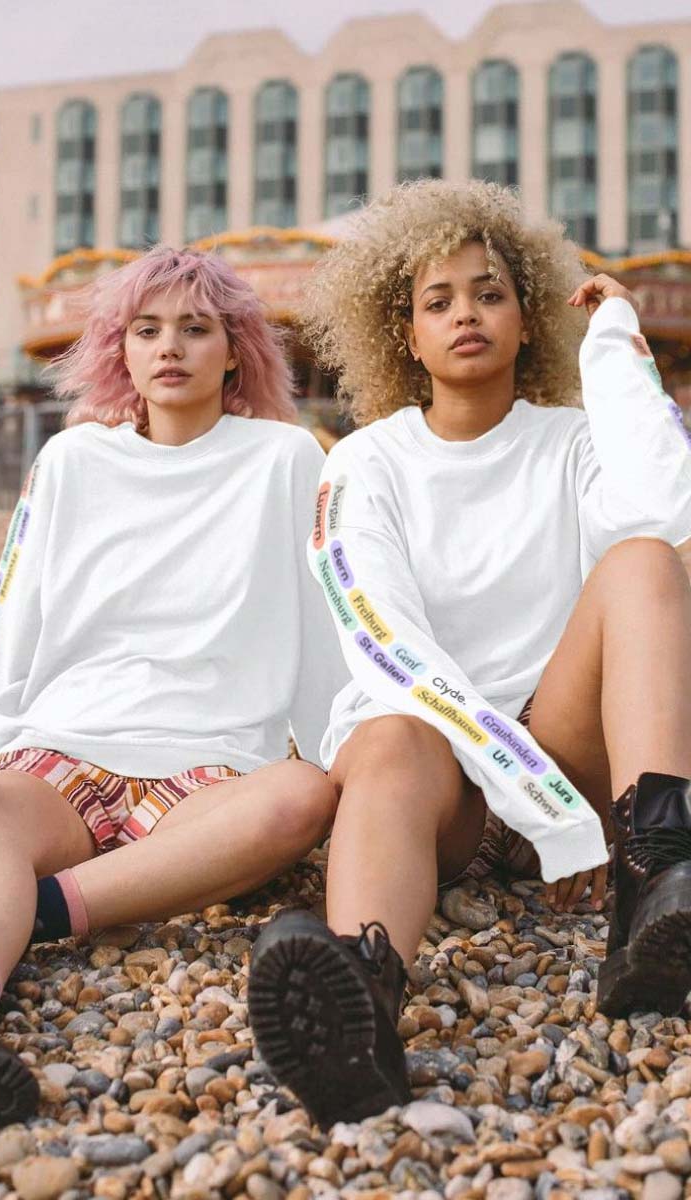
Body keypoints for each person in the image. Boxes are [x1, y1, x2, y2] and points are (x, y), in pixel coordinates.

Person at [248, 180, 691, 1130]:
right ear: (404, 336)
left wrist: (616, 352)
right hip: (442, 778)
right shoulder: (365, 462)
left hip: (569, 756)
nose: (466, 315)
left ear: (528, 320)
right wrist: (532, 795)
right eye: (438, 301)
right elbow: (384, 639)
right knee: (389, 734)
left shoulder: (572, 441)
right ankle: (363, 1002)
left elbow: (664, 513)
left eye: (490, 293)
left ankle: (657, 880)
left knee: (645, 562)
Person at [0, 246, 345, 1124]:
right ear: (121, 351)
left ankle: (16, 910)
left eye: (195, 328)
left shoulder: (286, 457)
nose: (169, 347)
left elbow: (325, 621)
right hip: (68, 747)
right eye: (147, 330)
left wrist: (349, 761)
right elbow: (17, 618)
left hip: (207, 772)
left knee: (299, 796)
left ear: (235, 351)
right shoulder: (73, 460)